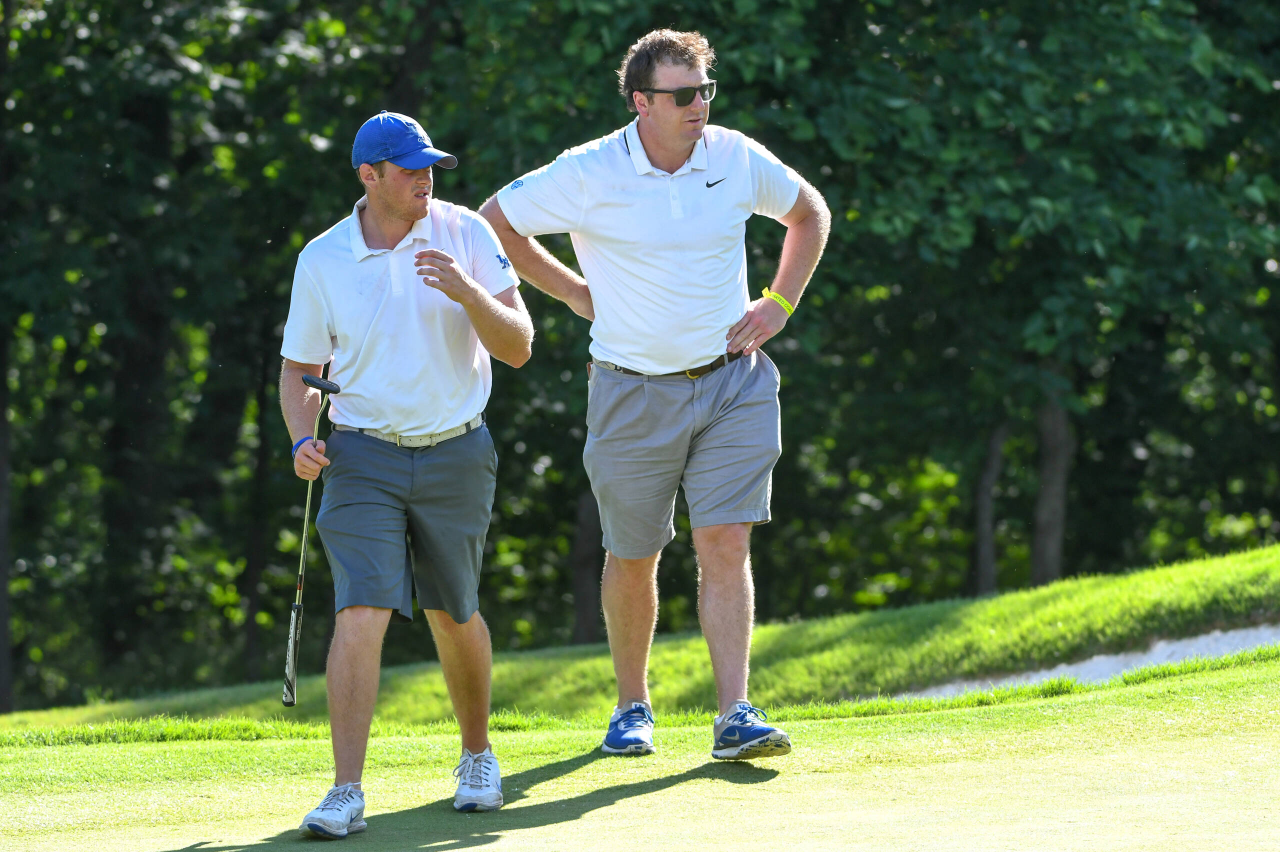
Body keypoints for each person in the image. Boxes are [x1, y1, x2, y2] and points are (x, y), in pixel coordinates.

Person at [480, 30, 830, 760]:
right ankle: (632, 705)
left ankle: (735, 711)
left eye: (705, 89)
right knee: (634, 553)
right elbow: (497, 220)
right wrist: (575, 294)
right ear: (641, 102)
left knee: (725, 540)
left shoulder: (732, 155)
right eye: (681, 94)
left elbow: (809, 213)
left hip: (732, 380)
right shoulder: (591, 171)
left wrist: (779, 302)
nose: (697, 105)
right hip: (630, 390)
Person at [280, 111, 533, 839]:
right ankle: (345, 791)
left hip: (457, 448)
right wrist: (303, 436)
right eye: (410, 168)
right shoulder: (323, 257)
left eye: (431, 167)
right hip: (361, 454)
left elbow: (517, 347)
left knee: (454, 610)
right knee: (362, 607)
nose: (426, 178)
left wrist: (468, 293)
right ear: (369, 175)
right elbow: (300, 369)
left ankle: (477, 756)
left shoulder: (466, 234)